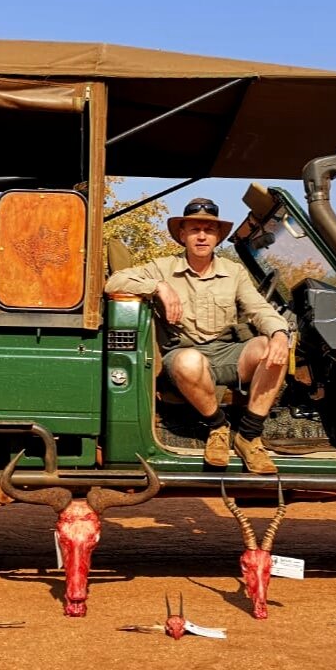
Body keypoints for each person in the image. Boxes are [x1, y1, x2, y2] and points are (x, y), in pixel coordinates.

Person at [105, 197, 289, 473]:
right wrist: (159, 288)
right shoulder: (162, 267)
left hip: (226, 353)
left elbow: (258, 308)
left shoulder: (234, 271)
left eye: (209, 230)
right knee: (189, 361)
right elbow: (114, 282)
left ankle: (249, 435)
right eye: (194, 230)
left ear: (217, 236)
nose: (202, 236)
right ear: (182, 235)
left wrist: (278, 333)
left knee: (273, 348)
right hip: (183, 357)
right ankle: (218, 427)